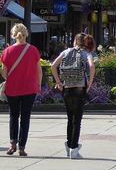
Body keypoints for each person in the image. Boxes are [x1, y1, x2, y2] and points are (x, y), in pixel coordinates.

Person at [51, 33, 95, 159]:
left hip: (66, 88)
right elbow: (91, 66)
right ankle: (73, 148)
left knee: (70, 119)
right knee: (77, 120)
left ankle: (69, 145)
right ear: (84, 42)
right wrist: (90, 83)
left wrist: (58, 82)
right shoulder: (86, 53)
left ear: (74, 41)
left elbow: (53, 66)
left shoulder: (65, 52)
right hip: (80, 88)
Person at [0, 23, 42, 157]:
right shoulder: (33, 50)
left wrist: (13, 77)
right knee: (25, 117)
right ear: (26, 34)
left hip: (13, 88)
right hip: (30, 88)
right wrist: (38, 85)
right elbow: (39, 71)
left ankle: (12, 144)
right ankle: (22, 147)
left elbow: (4, 72)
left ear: (13, 35)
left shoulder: (7, 51)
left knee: (13, 115)